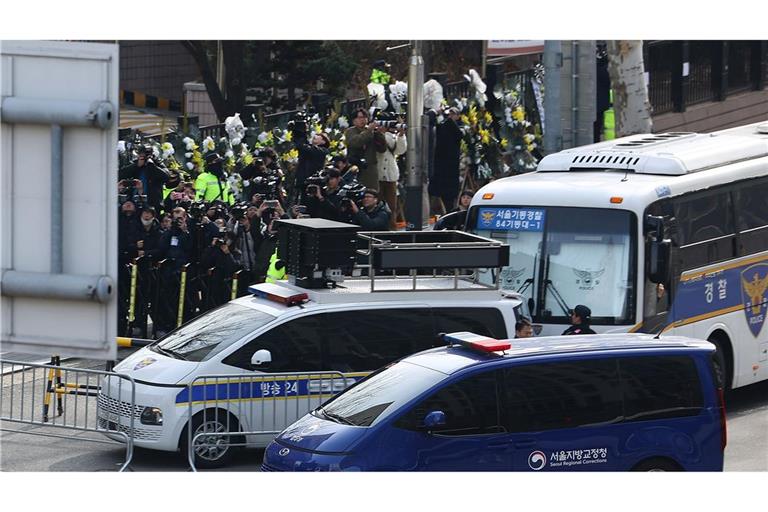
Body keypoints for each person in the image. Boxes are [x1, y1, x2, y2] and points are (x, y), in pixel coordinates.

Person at [429, 107, 463, 212]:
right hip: (439, 165)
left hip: (450, 168)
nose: (450, 116)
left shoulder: (458, 128)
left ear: (458, 116)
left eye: (453, 114)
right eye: (449, 114)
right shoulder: (441, 127)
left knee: (449, 197)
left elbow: (459, 134)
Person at [118, 145, 170, 212]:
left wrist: (152, 166)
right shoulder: (135, 162)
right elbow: (121, 174)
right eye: (141, 154)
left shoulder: (158, 163)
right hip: (134, 201)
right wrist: (137, 165)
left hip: (152, 202)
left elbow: (166, 177)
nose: (144, 156)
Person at [344, 108, 385, 191]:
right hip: (356, 167)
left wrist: (379, 134)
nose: (362, 120)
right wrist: (369, 130)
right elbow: (356, 142)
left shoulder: (373, 131)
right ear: (354, 120)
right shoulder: (350, 131)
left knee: (372, 192)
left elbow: (382, 149)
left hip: (370, 168)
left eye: (364, 117)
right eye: (359, 117)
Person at [376, 122, 406, 230]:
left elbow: (401, 150)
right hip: (378, 173)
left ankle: (392, 228)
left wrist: (401, 135)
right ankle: (379, 228)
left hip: (390, 174)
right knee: (377, 204)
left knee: (392, 206)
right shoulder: (375, 135)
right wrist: (380, 133)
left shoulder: (393, 137)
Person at [294, 132, 330, 198]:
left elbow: (305, 147)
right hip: (303, 179)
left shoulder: (322, 151)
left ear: (323, 141)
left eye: (319, 136)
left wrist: (302, 136)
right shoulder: (309, 148)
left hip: (313, 180)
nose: (315, 137)